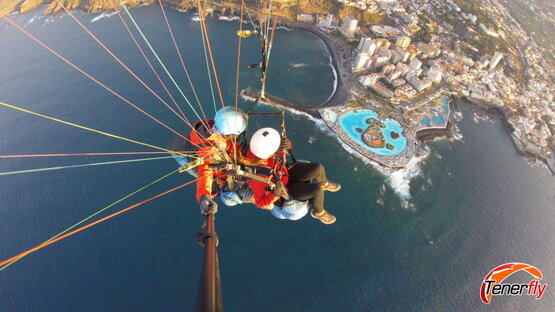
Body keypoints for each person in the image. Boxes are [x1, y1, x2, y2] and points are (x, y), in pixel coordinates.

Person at [241, 127, 341, 224]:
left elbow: (279, 151)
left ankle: (324, 184)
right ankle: (320, 213)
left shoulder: (260, 149)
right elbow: (260, 202)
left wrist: (288, 145)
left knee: (318, 168)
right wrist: (275, 194)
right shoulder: (257, 176)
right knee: (316, 190)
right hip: (285, 189)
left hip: (285, 173)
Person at [194, 107, 249, 216]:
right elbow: (205, 171)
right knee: (230, 197)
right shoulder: (209, 149)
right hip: (219, 171)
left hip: (227, 154)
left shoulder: (218, 127)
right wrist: (204, 196)